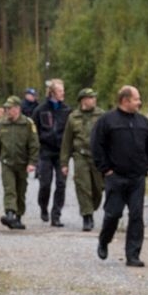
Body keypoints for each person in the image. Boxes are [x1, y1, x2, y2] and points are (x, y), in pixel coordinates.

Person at [90, 85, 148, 267]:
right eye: (136, 99)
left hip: (137, 178)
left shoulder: (144, 123)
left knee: (136, 216)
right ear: (125, 100)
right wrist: (105, 169)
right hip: (116, 177)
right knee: (113, 214)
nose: (140, 102)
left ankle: (133, 255)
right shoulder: (107, 121)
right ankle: (104, 240)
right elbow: (97, 146)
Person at [0, 96, 39, 230]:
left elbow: (34, 145)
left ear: (17, 109)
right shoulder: (2, 124)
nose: (7, 110)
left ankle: (18, 217)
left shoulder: (28, 124)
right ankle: (10, 214)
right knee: (9, 189)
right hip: (7, 163)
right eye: (6, 108)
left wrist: (32, 162)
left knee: (21, 190)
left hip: (22, 163)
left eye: (9, 108)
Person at [59, 87, 103, 232]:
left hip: (97, 156)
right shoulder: (73, 117)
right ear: (83, 100)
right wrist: (64, 163)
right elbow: (66, 141)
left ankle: (92, 207)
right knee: (83, 187)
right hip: (80, 156)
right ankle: (87, 216)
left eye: (94, 97)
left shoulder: (101, 115)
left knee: (98, 188)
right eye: (91, 98)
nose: (94, 100)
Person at [31, 78, 71, 226]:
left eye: (63, 90)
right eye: (60, 91)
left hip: (61, 153)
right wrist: (34, 152)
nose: (63, 93)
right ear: (52, 93)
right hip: (45, 152)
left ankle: (56, 215)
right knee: (45, 184)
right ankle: (43, 206)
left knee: (61, 184)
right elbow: (33, 131)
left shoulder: (67, 110)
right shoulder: (40, 110)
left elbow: (71, 132)